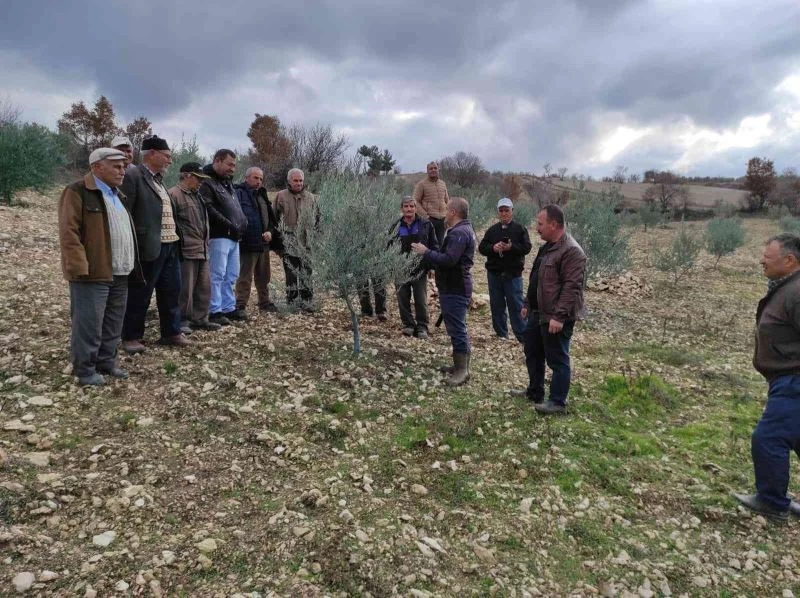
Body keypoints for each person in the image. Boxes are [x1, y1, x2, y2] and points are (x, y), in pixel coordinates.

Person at [733, 234, 800, 523]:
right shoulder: (788, 288)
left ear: (789, 260)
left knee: (769, 438)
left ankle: (772, 503)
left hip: (794, 380)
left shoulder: (797, 293)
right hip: (786, 379)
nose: (761, 260)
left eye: (767, 256)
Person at [58, 148, 138, 385]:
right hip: (93, 271)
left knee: (113, 322)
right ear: (97, 167)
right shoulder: (77, 191)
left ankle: (106, 362)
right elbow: (68, 232)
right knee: (89, 323)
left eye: (124, 166)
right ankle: (84, 370)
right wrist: (78, 267)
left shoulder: (117, 195)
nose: (122, 171)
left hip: (120, 271)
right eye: (116, 166)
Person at [120, 135, 191, 353]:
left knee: (171, 291)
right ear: (152, 154)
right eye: (167, 156)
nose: (170, 161)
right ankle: (131, 337)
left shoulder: (157, 179)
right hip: (147, 247)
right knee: (140, 293)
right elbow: (125, 213)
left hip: (170, 246)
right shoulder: (133, 176)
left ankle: (171, 332)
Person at [514, 205, 586, 415]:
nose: (537, 228)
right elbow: (536, 277)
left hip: (555, 316)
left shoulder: (572, 251)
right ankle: (534, 392)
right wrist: (528, 303)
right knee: (533, 353)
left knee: (557, 358)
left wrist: (559, 316)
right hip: (538, 313)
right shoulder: (547, 247)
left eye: (540, 224)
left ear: (554, 225)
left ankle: (557, 403)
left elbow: (572, 287)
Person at [412, 197, 475, 385]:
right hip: (452, 286)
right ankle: (459, 366)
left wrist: (426, 252)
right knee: (456, 327)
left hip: (455, 287)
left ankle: (462, 371)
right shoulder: (461, 230)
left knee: (457, 329)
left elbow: (449, 260)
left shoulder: (459, 233)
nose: (445, 213)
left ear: (454, 212)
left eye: (448, 210)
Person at [168, 162, 221, 332]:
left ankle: (200, 319)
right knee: (185, 289)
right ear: (187, 176)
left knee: (204, 287)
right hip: (185, 250)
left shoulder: (197, 195)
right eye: (198, 178)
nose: (201, 182)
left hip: (202, 248)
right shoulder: (173, 195)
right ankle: (183, 320)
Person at [200, 149, 248, 324]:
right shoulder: (207, 183)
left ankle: (228, 307)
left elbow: (234, 207)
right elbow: (209, 208)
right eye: (229, 164)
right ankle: (214, 310)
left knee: (231, 275)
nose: (232, 168)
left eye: (234, 165)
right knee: (217, 274)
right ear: (217, 161)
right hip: (219, 235)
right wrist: (229, 225)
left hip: (234, 236)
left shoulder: (227, 183)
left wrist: (242, 223)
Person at [478, 197, 532, 342]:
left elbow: (527, 247)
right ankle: (501, 334)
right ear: (498, 212)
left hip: (513, 274)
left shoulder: (520, 229)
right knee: (497, 305)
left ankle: (522, 336)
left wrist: (511, 247)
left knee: (516, 305)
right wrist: (493, 248)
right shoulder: (492, 230)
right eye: (501, 211)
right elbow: (482, 248)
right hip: (494, 273)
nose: (504, 213)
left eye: (506, 210)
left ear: (512, 211)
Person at [234, 167, 282, 315]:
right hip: (248, 243)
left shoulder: (262, 195)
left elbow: (270, 219)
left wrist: (270, 232)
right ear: (246, 177)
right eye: (256, 178)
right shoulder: (239, 194)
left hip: (264, 243)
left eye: (261, 178)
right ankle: (240, 305)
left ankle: (264, 302)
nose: (259, 181)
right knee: (245, 276)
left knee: (264, 276)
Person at [391, 196, 439, 338]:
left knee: (420, 298)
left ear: (415, 208)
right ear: (402, 209)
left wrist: (432, 266)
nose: (409, 209)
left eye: (411, 206)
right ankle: (408, 325)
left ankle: (422, 327)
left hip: (419, 268)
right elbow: (388, 247)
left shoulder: (425, 225)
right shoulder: (395, 226)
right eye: (406, 206)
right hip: (400, 268)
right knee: (402, 298)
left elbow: (433, 245)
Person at [274, 168, 319, 311]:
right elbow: (274, 219)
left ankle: (307, 302)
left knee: (307, 272)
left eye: (300, 180)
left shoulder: (311, 197)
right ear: (289, 181)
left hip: (307, 242)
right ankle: (292, 303)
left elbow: (318, 219)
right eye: (295, 180)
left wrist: (316, 239)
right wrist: (278, 244)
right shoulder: (281, 196)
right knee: (291, 273)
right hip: (289, 241)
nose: (298, 183)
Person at [412, 161, 450, 246]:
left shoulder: (443, 184)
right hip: (429, 219)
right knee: (428, 243)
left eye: (435, 168)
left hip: (442, 220)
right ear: (427, 171)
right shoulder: (421, 184)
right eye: (431, 168)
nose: (433, 170)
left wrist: (448, 216)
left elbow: (447, 200)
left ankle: (439, 259)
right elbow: (415, 201)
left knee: (440, 243)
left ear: (438, 169)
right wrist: (425, 216)